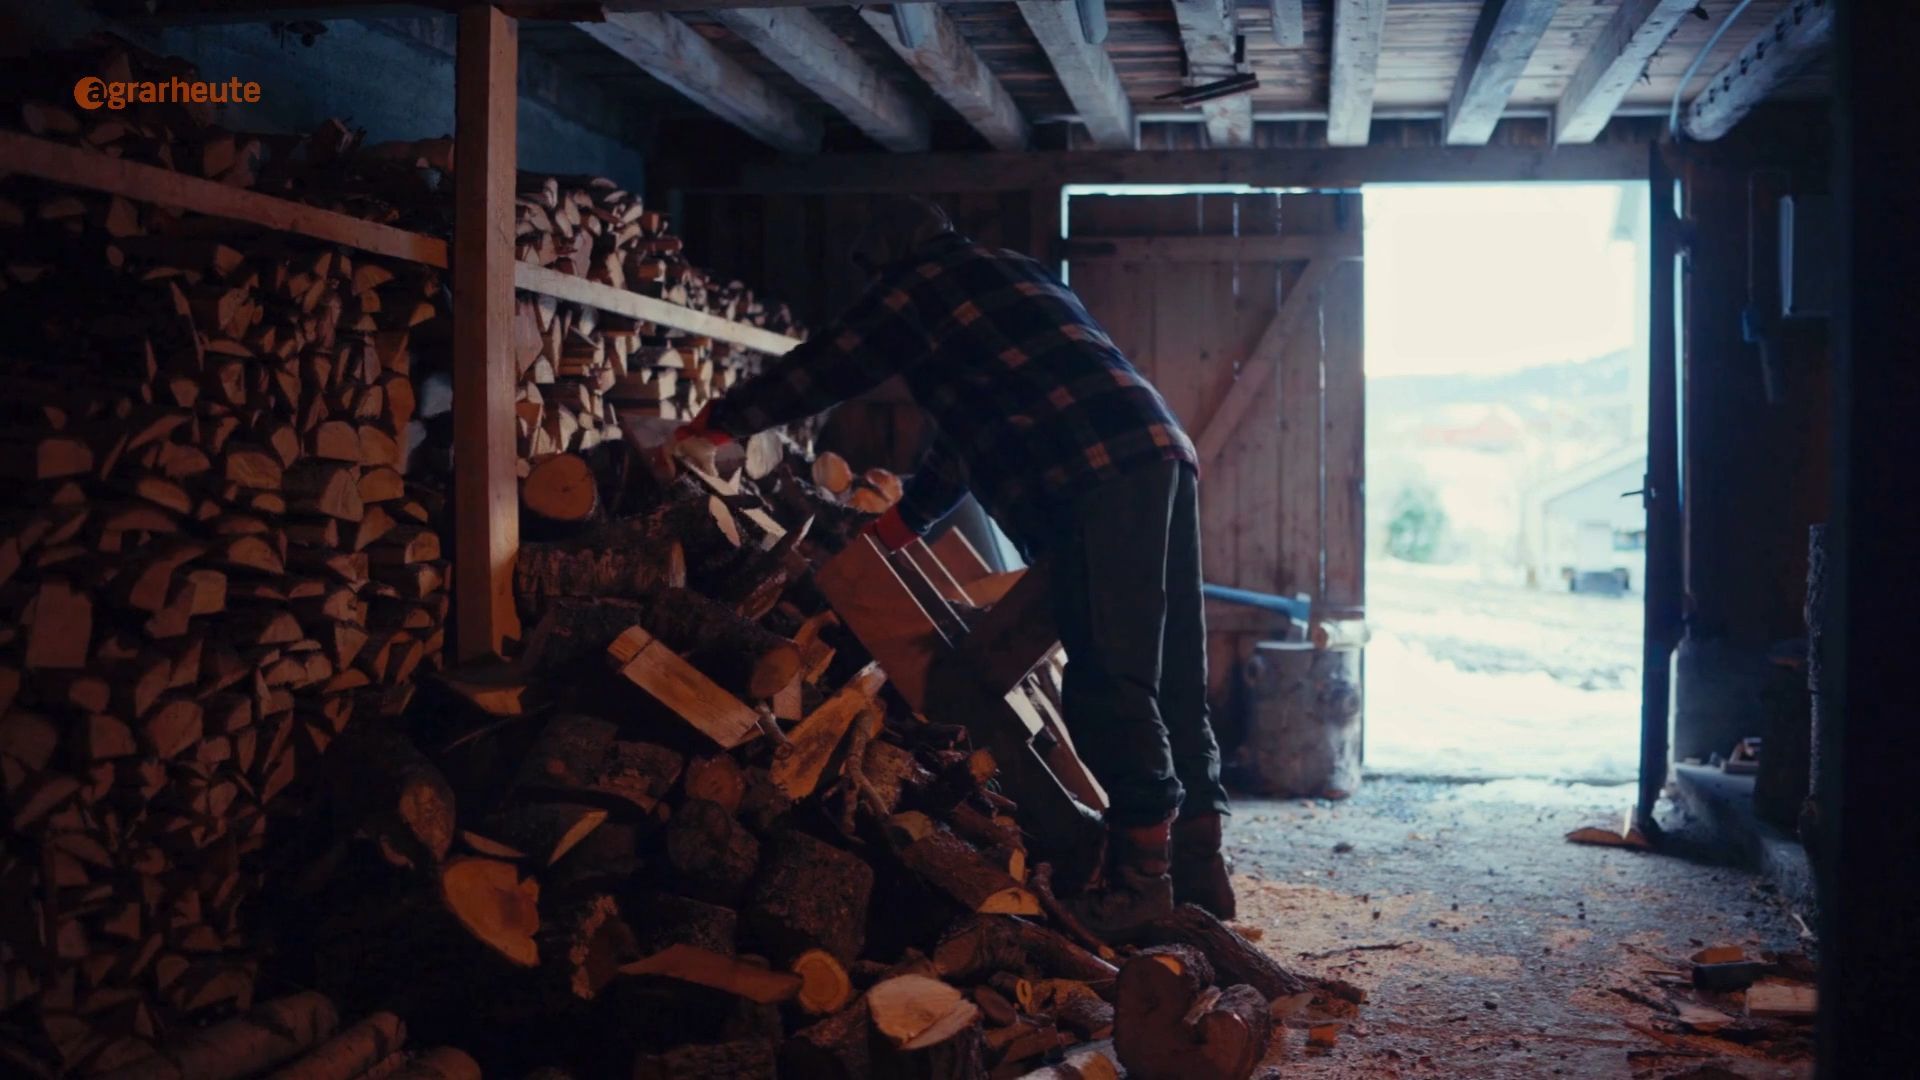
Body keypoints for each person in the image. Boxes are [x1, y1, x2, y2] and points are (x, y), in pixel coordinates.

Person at [676, 197, 1232, 935]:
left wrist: (723, 421)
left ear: (891, 267)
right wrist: (912, 518)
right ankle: (1202, 872)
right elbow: (970, 427)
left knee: (1110, 678)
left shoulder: (921, 286)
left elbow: (830, 364)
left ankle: (1142, 886)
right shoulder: (1005, 277)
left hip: (1092, 469)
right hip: (1159, 451)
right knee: (1173, 673)